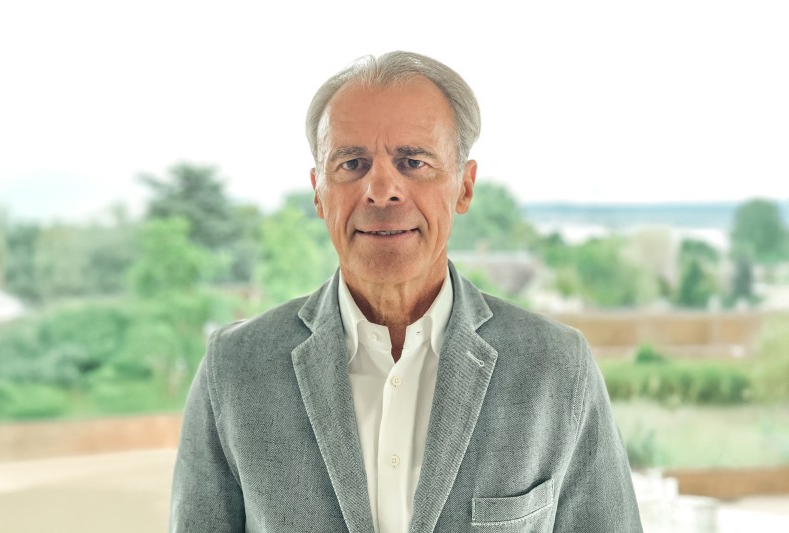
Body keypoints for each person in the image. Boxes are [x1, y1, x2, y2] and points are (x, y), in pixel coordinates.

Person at [170, 51, 643, 533]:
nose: (381, 189)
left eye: (413, 162)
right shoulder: (234, 369)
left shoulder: (556, 368)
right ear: (318, 192)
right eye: (352, 163)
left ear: (464, 187)